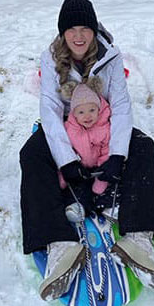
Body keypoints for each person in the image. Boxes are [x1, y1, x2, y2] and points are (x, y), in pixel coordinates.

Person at [20, 0, 154, 301]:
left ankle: (139, 240)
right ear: (62, 33)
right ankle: (60, 246)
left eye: (84, 28)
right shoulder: (51, 59)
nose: (78, 36)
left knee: (143, 147)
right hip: (69, 131)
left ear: (93, 29)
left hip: (102, 128)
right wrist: (67, 162)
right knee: (32, 153)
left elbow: (122, 106)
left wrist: (117, 156)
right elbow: (48, 110)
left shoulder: (110, 58)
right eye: (71, 29)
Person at [58, 78, 111, 222]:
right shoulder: (69, 128)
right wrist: (65, 166)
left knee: (96, 191)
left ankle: (101, 206)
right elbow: (64, 148)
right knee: (70, 186)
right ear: (74, 114)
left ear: (99, 110)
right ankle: (72, 204)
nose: (87, 116)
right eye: (81, 112)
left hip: (96, 170)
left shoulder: (104, 129)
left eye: (92, 110)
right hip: (77, 168)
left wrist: (102, 173)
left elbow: (106, 151)